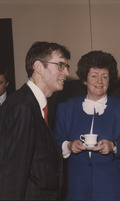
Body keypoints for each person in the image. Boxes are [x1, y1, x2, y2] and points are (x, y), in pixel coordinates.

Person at [54, 50, 120, 201]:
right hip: (77, 188)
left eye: (105, 76)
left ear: (110, 79)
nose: (99, 81)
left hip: (113, 188)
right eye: (94, 76)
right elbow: (54, 144)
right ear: (85, 79)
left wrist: (114, 146)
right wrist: (69, 147)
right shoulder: (66, 108)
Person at [0, 41, 70, 200]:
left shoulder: (33, 104)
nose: (66, 72)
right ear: (38, 67)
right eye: (60, 65)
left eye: (67, 66)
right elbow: (12, 175)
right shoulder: (23, 107)